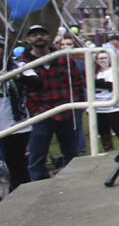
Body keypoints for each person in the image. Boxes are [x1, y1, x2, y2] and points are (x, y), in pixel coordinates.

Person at [17, 24, 85, 181]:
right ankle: (39, 184)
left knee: (72, 153)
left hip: (67, 111)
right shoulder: (22, 63)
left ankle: (73, 182)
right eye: (34, 35)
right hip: (41, 113)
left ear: (49, 37)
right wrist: (33, 111)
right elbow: (24, 92)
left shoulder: (63, 58)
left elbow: (76, 82)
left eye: (42, 34)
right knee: (37, 155)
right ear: (27, 39)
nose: (39, 37)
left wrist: (77, 106)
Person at [0, 45, 36, 192]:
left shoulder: (19, 66)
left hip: (16, 125)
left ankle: (21, 196)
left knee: (17, 166)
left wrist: (17, 76)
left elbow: (36, 83)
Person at [92, 50, 119, 152]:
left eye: (105, 58)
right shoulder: (93, 72)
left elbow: (111, 86)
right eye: (100, 58)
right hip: (99, 108)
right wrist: (100, 83)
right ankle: (108, 152)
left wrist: (97, 83)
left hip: (115, 107)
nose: (103, 60)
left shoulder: (116, 71)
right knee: (103, 133)